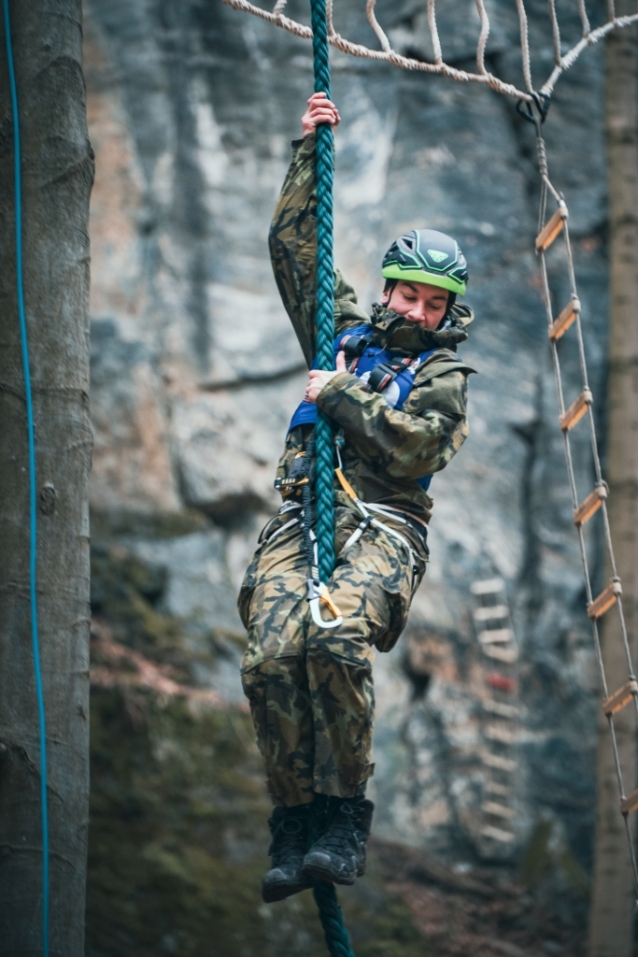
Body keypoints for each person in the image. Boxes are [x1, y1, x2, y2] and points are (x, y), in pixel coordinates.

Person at [238, 92, 475, 903]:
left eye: (430, 302)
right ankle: (294, 818)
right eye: (406, 293)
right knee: (272, 655)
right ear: (389, 289)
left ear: (447, 312)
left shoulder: (442, 378)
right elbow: (295, 249)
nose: (414, 309)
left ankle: (344, 816)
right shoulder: (342, 332)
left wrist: (340, 395)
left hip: (386, 529)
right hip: (305, 518)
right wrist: (309, 150)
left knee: (333, 637)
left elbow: (414, 446)